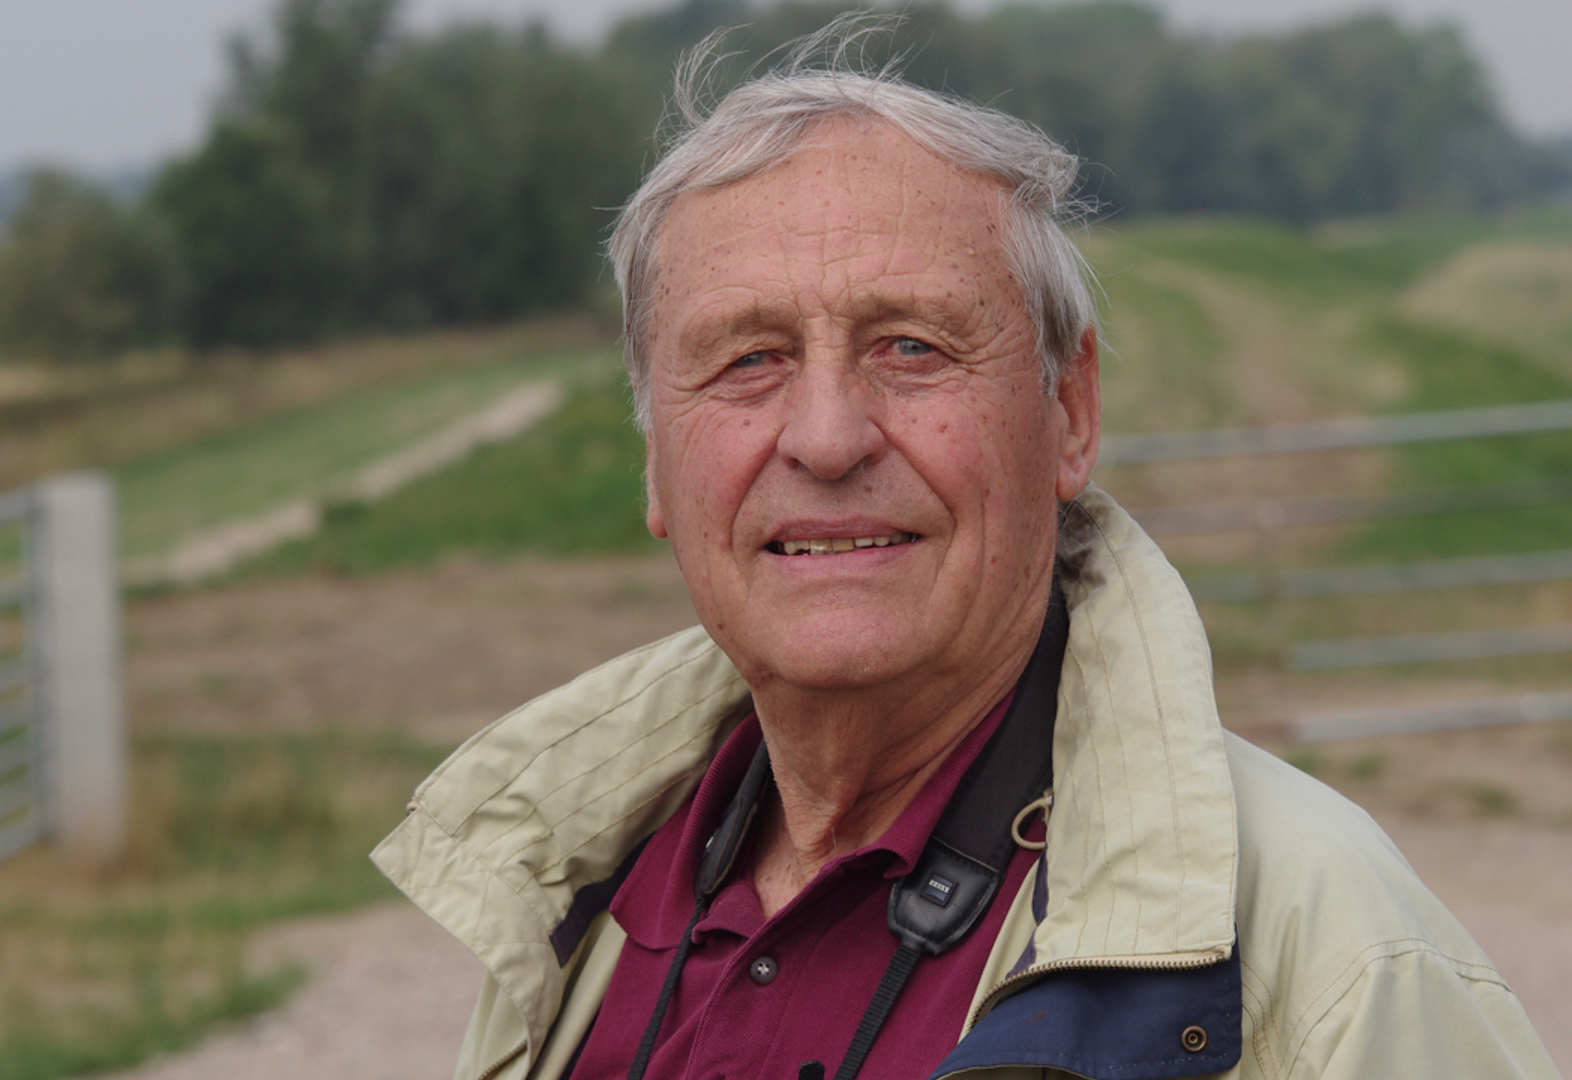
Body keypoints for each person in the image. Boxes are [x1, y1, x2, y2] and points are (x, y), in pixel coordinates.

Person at [372, 26, 1560, 1080]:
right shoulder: (581, 889)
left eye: (911, 347)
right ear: (656, 465)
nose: (828, 437)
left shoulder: (1329, 953)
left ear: (1071, 412)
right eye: (747, 360)